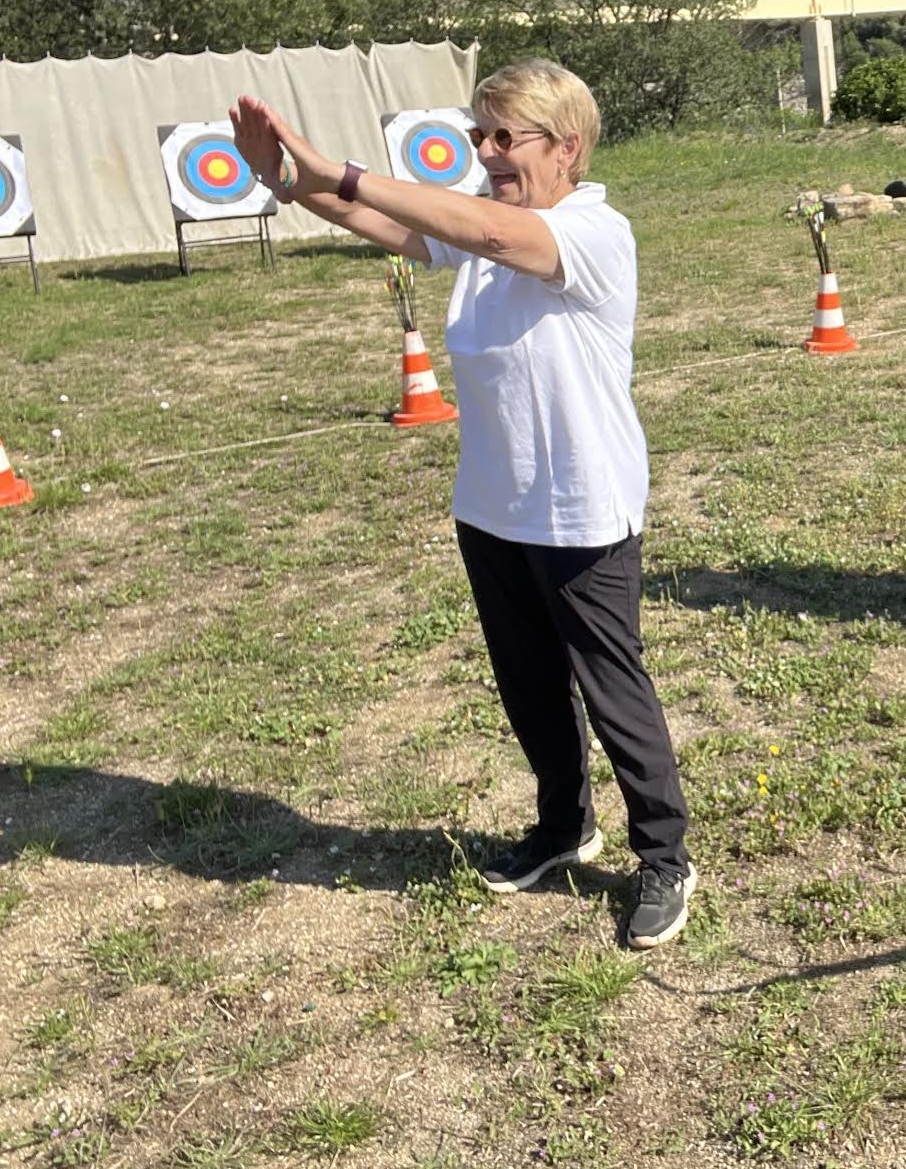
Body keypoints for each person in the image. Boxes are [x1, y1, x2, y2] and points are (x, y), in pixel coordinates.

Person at [229, 60, 697, 949]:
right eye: (479, 135)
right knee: (527, 685)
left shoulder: (592, 231)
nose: (484, 153)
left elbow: (483, 232)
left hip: (578, 507)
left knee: (611, 687)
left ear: (567, 148)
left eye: (504, 137)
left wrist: (339, 167)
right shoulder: (487, 225)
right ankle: (563, 828)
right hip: (492, 501)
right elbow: (387, 222)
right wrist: (289, 183)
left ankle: (664, 856)